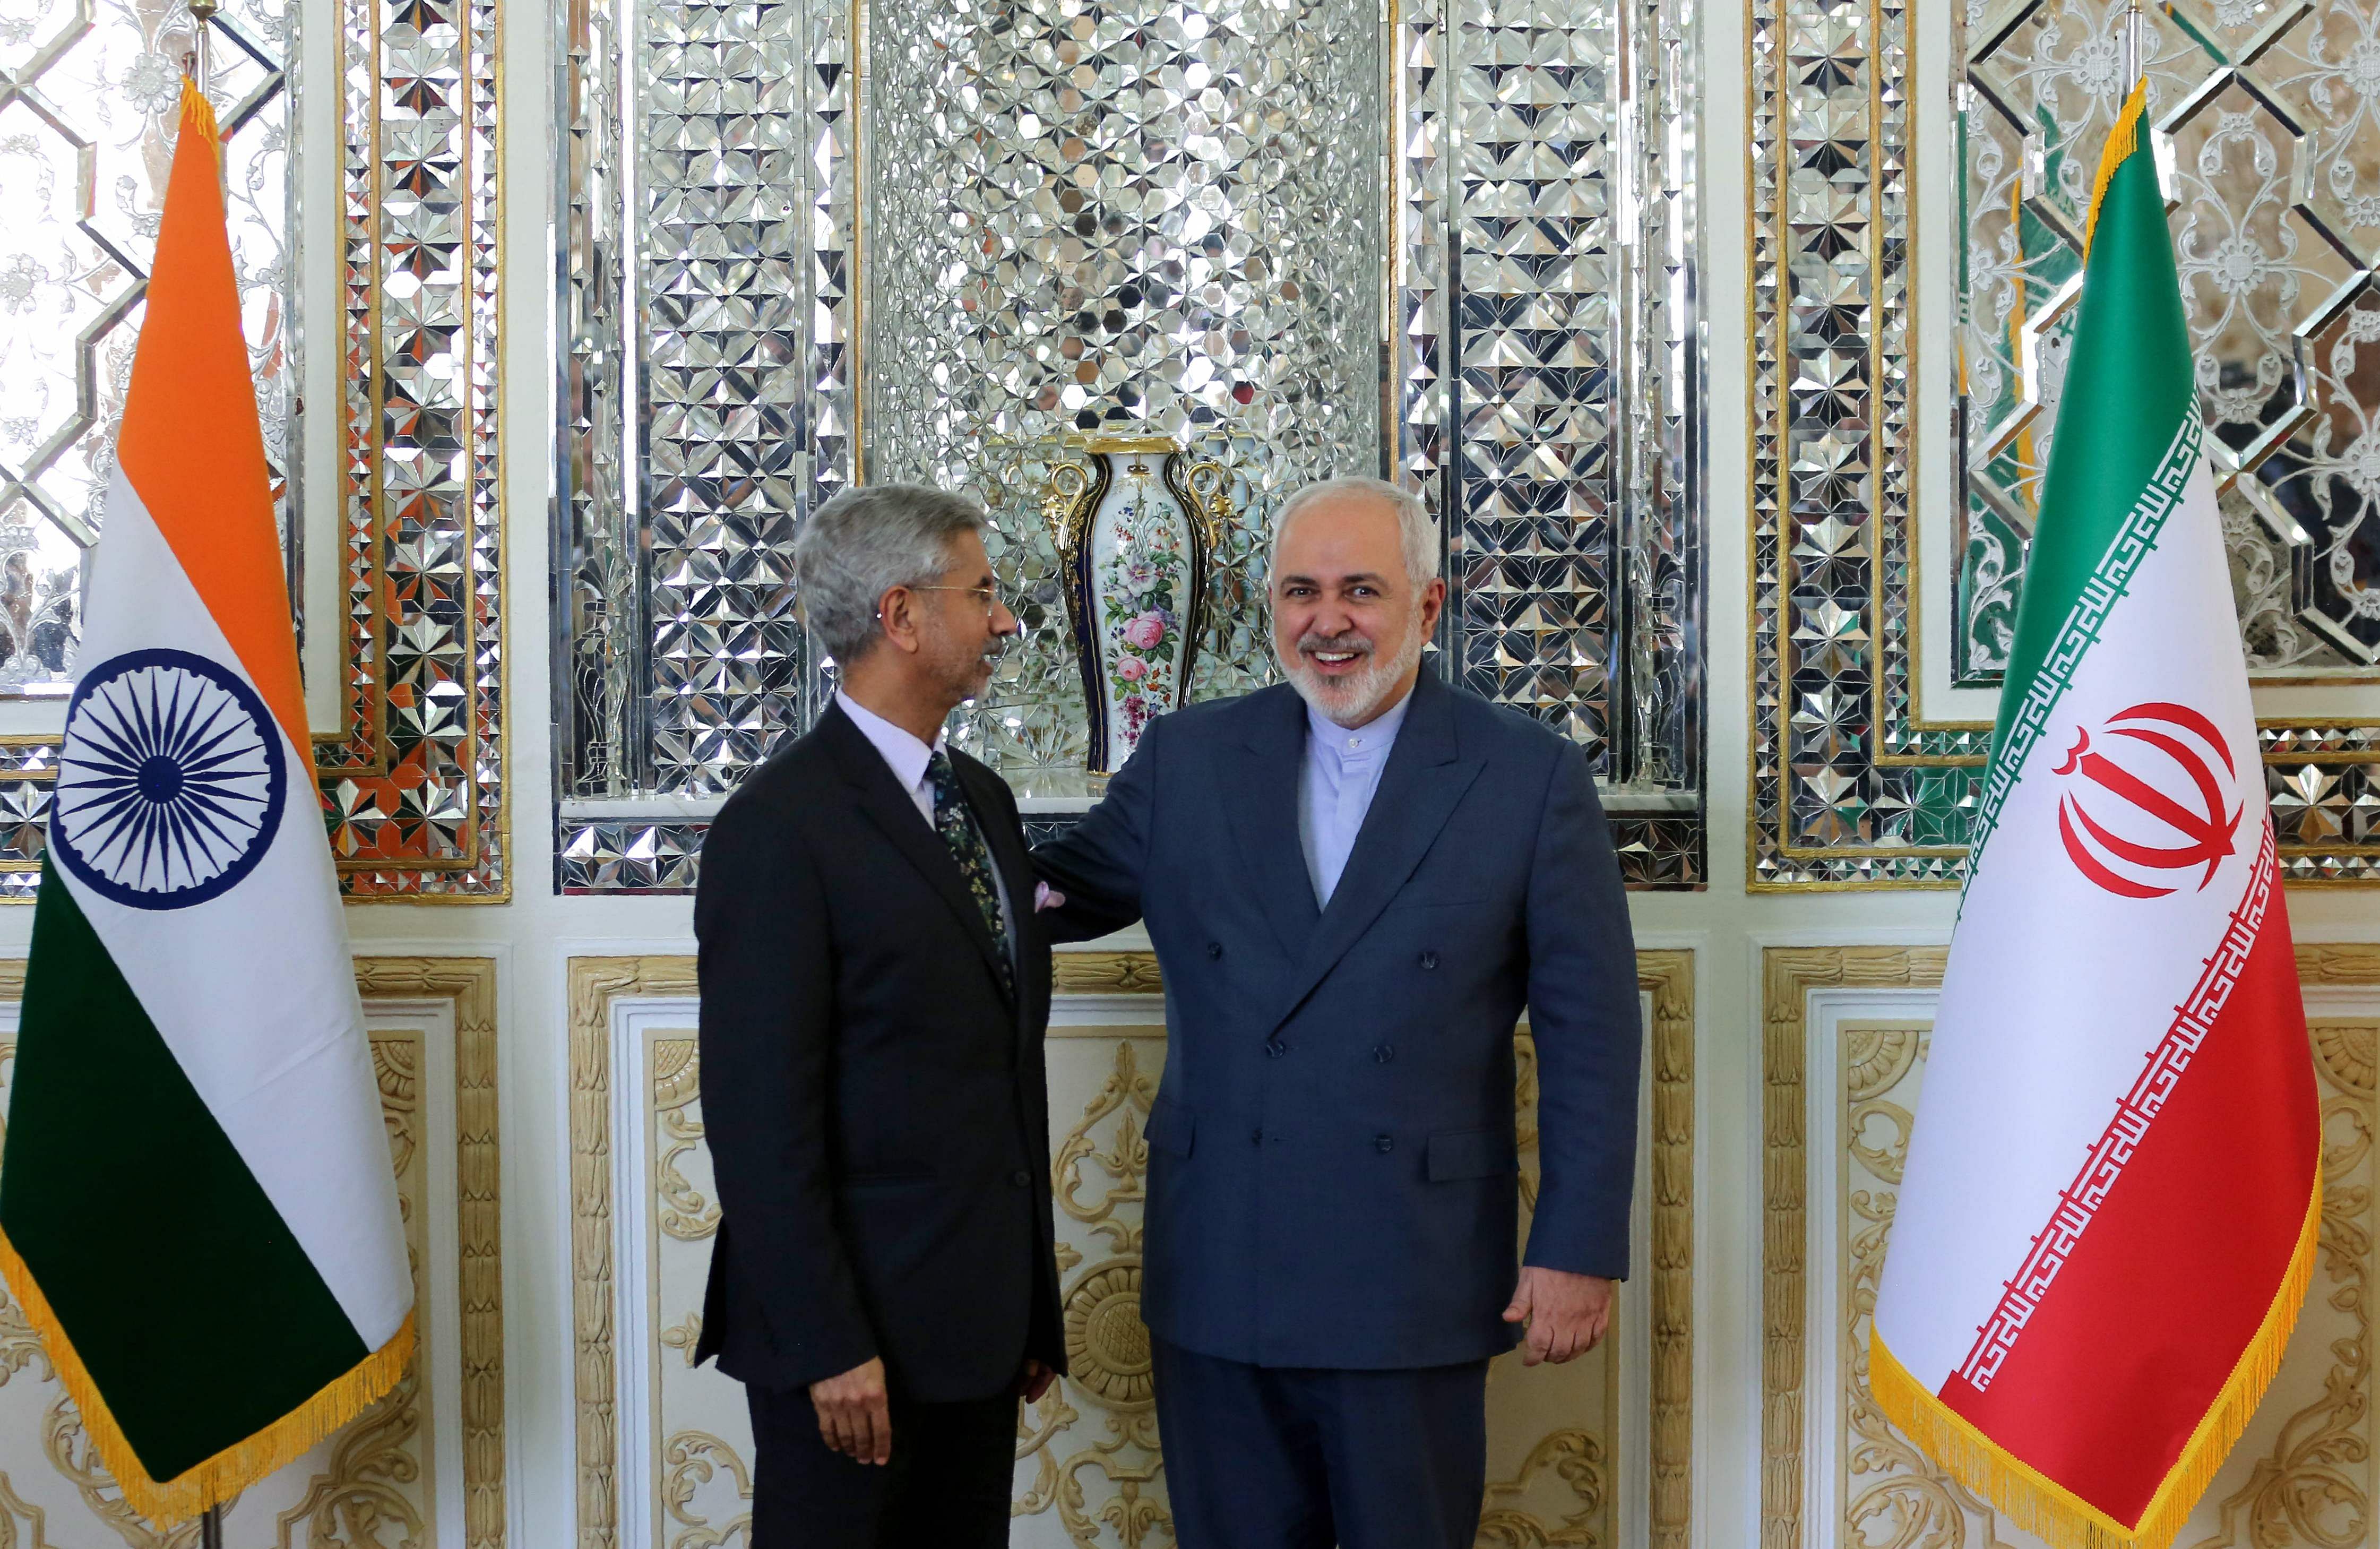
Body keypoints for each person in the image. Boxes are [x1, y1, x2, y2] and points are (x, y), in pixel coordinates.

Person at [1034, 475, 1641, 1549]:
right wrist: (899, 833)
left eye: (1361, 590)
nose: (1328, 622)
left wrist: (1577, 1247)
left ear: (1429, 606)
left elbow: (1589, 1029)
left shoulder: (1526, 775)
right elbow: (1049, 898)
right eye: (1300, 592)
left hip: (1411, 1271)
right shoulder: (1189, 758)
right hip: (1222, 1262)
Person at [693, 483, 1066, 1548]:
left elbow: (996, 1072)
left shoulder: (981, 799)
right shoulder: (778, 828)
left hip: (978, 1333)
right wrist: (826, 1343)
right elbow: (760, 1123)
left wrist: (1029, 1304)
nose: (1004, 618)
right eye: (983, 591)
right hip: (849, 1352)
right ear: (900, 616)